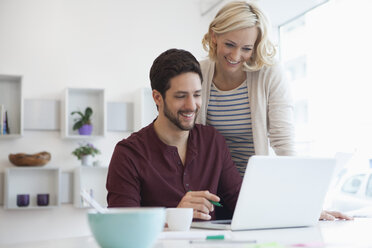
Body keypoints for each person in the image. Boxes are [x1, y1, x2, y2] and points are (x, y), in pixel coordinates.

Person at [197, 1, 351, 221]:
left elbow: (283, 143)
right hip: (210, 190)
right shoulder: (199, 73)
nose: (236, 55)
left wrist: (306, 203)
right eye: (229, 44)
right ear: (214, 36)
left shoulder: (269, 73)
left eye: (247, 48)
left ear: (256, 45)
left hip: (255, 191)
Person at [106, 48, 242, 220]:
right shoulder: (128, 154)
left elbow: (240, 203)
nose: (191, 105)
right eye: (180, 96)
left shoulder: (213, 141)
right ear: (157, 97)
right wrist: (173, 217)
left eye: (197, 95)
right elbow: (123, 228)